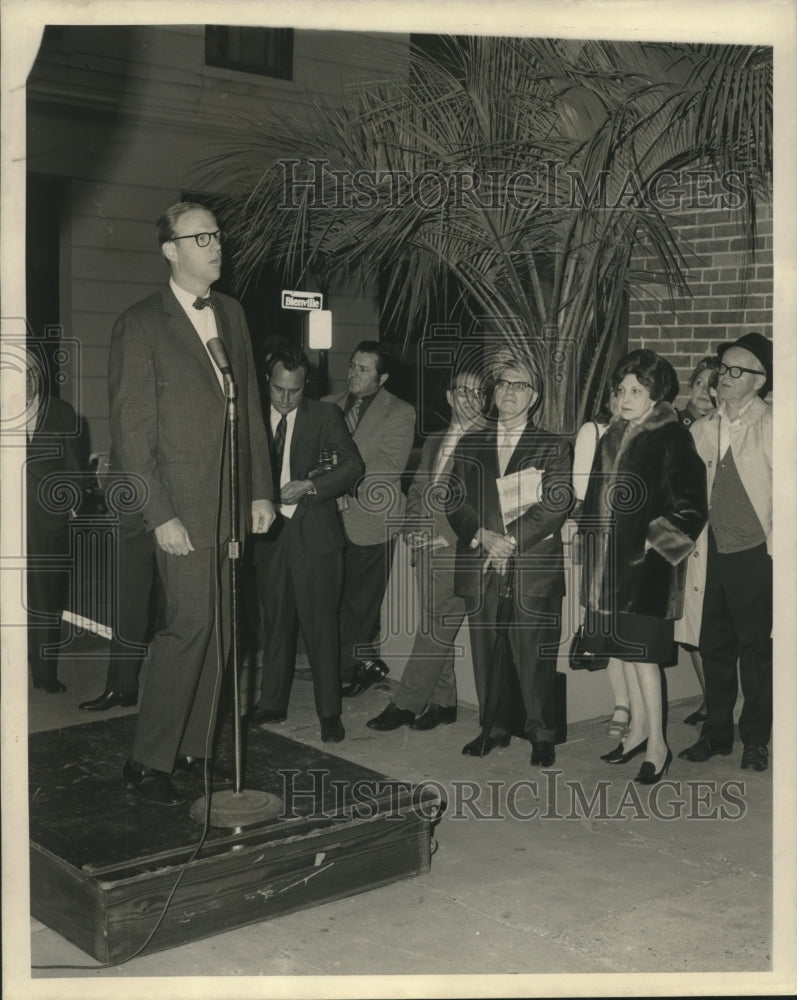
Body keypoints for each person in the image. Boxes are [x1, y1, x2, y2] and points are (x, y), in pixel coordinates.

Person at [109, 201, 276, 806]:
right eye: (199, 236)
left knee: (225, 628)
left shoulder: (230, 313)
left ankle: (195, 746)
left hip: (232, 505)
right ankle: (148, 758)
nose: (216, 243)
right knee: (188, 626)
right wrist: (160, 514)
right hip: (181, 508)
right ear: (170, 251)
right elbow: (131, 433)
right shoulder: (141, 323)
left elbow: (250, 407)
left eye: (217, 234)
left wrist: (261, 489)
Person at [579, 349, 708, 785]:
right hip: (608, 571)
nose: (626, 397)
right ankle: (636, 732)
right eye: (621, 390)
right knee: (624, 654)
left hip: (647, 572)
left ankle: (658, 745)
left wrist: (649, 547)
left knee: (645, 659)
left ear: (657, 394)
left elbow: (691, 509)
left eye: (637, 390)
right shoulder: (612, 434)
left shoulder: (672, 435)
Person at [447, 353, 572, 768]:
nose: (508, 393)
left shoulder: (552, 445)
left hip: (531, 566)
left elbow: (557, 503)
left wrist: (510, 541)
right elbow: (453, 498)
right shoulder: (471, 442)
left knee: (534, 652)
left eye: (518, 386)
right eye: (502, 384)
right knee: (485, 649)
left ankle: (541, 734)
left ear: (533, 396)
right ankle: (492, 728)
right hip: (481, 562)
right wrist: (482, 536)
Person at [248, 346, 364, 742]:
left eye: (294, 392)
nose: (284, 400)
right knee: (275, 623)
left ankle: (329, 712)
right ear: (268, 380)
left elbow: (352, 466)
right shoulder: (250, 418)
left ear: (305, 386)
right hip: (270, 536)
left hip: (316, 537)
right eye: (279, 389)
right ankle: (272, 703)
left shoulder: (325, 416)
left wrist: (312, 485)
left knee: (320, 627)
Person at [367, 367, 486, 732]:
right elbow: (418, 489)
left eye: (478, 394)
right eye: (463, 392)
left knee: (434, 629)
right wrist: (414, 529)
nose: (471, 400)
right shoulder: (436, 440)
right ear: (449, 397)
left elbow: (485, 504)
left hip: (458, 550)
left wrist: (447, 538)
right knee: (438, 628)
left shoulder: (489, 442)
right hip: (426, 548)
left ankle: (405, 703)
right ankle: (444, 702)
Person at [679, 333, 772, 772]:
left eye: (738, 370)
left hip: (755, 555)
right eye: (724, 368)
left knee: (756, 652)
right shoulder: (702, 428)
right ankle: (717, 734)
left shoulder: (775, 425)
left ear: (759, 380)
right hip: (709, 554)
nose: (726, 376)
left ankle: (756, 740)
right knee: (713, 647)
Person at [324, 341, 416, 697]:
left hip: (373, 518)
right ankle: (361, 662)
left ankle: (354, 668)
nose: (353, 374)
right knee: (334, 596)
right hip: (331, 517)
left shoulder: (401, 412)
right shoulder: (328, 405)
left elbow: (390, 467)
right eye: (352, 365)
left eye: (364, 370)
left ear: (383, 377)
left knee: (361, 603)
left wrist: (342, 487)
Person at [571, 389, 630, 740]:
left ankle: (632, 705)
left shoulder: (649, 433)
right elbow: (581, 492)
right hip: (602, 539)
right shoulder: (593, 431)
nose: (622, 400)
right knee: (609, 625)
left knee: (632, 626)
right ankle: (622, 704)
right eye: (618, 392)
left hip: (637, 543)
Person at [25, 347, 82, 693]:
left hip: (47, 524)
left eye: (30, 375)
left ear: (39, 377)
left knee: (45, 600)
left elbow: (74, 471)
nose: (24, 382)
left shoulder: (60, 412)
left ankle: (44, 674)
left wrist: (65, 510)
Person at [674, 355, 720, 725]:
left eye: (713, 384)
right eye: (700, 383)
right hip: (686, 536)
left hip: (719, 536)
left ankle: (716, 703)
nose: (706, 391)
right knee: (691, 626)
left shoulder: (722, 427)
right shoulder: (677, 425)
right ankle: (711, 701)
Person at [78, 514, 160, 711]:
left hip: (181, 519)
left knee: (184, 614)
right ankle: (122, 688)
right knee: (128, 609)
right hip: (133, 525)